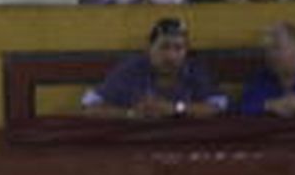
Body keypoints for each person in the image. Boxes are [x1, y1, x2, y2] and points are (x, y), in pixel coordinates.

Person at [80, 15, 225, 118]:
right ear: (149, 48)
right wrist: (131, 114)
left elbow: (217, 106)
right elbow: (90, 107)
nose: (171, 56)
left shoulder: (194, 69)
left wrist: (175, 108)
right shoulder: (132, 68)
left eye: (178, 48)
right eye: (164, 47)